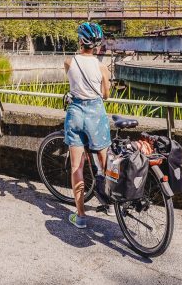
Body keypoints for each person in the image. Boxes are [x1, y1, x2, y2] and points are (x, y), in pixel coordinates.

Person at [64, 22, 112, 229]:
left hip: (75, 112)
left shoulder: (68, 62)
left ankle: (81, 215)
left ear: (80, 41)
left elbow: (72, 85)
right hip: (95, 113)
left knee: (77, 166)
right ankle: (110, 204)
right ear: (97, 45)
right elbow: (106, 95)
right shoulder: (102, 67)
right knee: (104, 162)